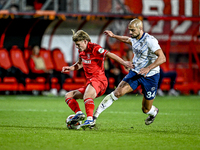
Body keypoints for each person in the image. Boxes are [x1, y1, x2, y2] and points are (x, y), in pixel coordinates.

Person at [93, 18, 166, 126]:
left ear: (140, 29)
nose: (130, 33)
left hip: (151, 75)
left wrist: (148, 68)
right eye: (129, 30)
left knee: (146, 109)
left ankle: (153, 112)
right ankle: (94, 117)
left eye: (132, 30)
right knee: (118, 92)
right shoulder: (134, 38)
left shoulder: (150, 40)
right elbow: (127, 40)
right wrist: (114, 36)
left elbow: (162, 58)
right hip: (136, 72)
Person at [61, 30, 133, 129]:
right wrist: (71, 67)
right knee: (69, 95)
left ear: (85, 41)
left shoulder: (95, 48)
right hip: (90, 83)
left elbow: (110, 54)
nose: (77, 47)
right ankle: (79, 114)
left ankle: (90, 120)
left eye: (78, 44)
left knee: (87, 95)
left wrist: (124, 63)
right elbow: (80, 63)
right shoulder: (81, 51)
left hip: (99, 81)